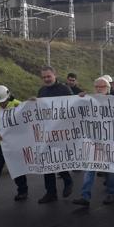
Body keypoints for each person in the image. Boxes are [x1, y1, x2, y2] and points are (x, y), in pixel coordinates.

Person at [72, 77, 114, 207]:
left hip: (109, 141)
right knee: (89, 169)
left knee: (109, 169)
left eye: (102, 87)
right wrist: (78, 98)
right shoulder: (89, 100)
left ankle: (111, 193)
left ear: (108, 88)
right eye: (96, 86)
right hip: (92, 140)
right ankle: (85, 196)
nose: (98, 89)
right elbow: (72, 109)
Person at [36, 66, 74, 203]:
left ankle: (68, 181)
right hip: (46, 132)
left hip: (61, 132)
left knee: (59, 160)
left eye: (48, 76)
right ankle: (50, 192)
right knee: (47, 163)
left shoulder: (64, 89)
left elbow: (72, 107)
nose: (46, 79)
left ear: (55, 75)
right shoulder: (41, 91)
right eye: (44, 77)